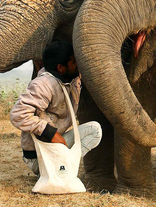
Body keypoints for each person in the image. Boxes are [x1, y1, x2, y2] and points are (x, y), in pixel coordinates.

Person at [10, 41, 102, 176]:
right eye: (74, 62)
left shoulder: (70, 79)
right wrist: (51, 133)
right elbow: (18, 114)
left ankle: (63, 166)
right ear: (60, 67)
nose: (78, 65)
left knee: (95, 130)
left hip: (55, 146)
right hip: (39, 153)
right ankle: (58, 171)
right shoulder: (44, 84)